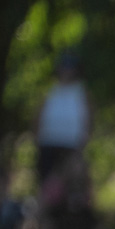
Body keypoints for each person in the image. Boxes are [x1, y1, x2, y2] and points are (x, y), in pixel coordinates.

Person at [34, 54, 90, 184]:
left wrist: (85, 140)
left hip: (72, 144)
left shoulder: (82, 91)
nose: (67, 71)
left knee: (71, 182)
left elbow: (89, 118)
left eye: (70, 67)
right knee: (46, 181)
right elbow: (37, 115)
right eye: (64, 67)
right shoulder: (49, 90)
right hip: (48, 143)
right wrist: (36, 138)